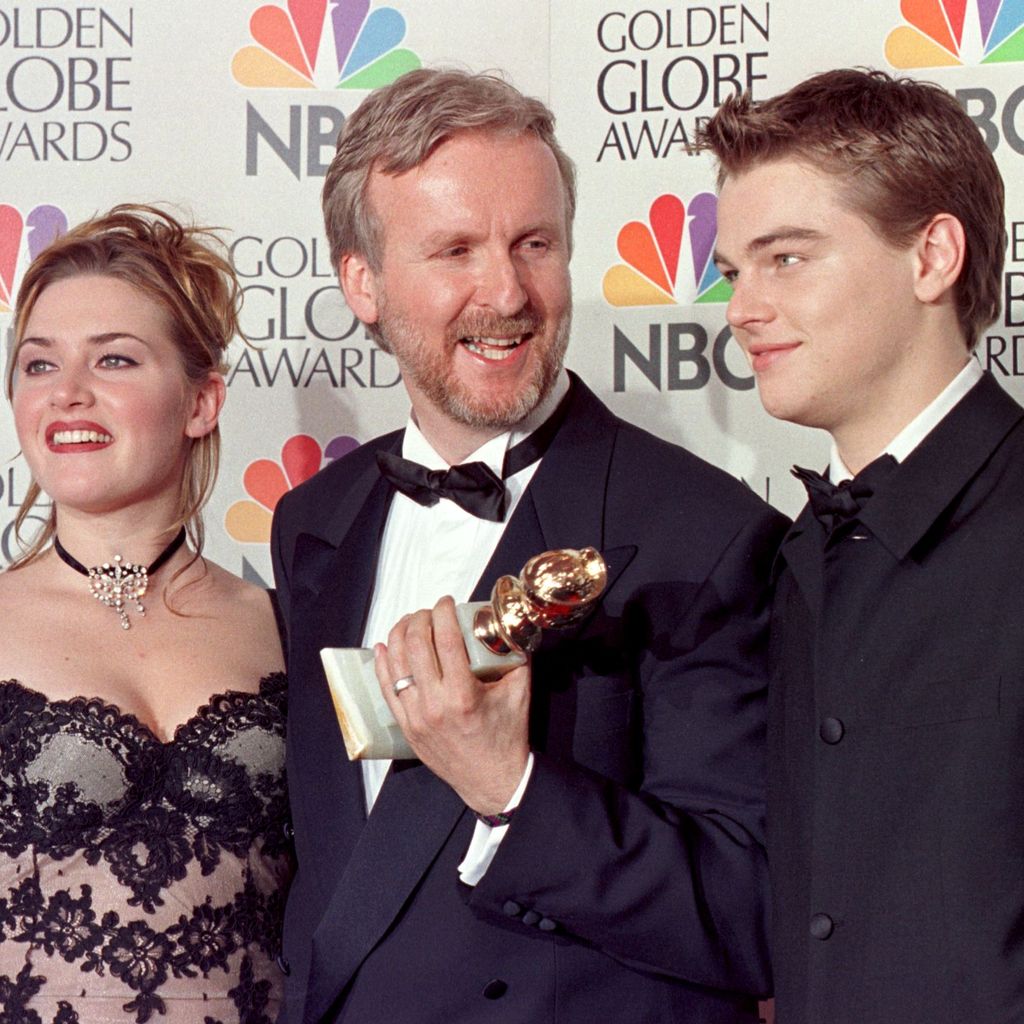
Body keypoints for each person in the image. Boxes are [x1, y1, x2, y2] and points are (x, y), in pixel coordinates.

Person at [270, 67, 788, 1023]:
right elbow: (342, 873)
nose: (505, 292)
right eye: (454, 250)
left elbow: (752, 910)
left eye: (534, 244)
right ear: (364, 284)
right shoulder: (312, 520)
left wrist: (512, 788)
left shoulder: (706, 538)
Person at [702, 69, 1018, 1022]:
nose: (741, 311)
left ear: (933, 257)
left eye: (786, 258)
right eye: (733, 272)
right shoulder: (803, 553)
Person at [0, 205, 291, 1024]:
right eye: (37, 365)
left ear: (202, 402)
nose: (67, 393)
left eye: (115, 360)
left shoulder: (288, 625)